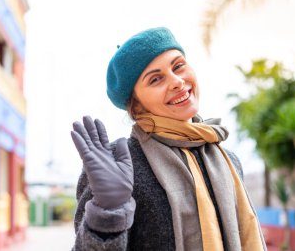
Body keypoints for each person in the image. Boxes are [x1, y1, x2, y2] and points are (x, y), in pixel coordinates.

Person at [70, 27, 267, 251]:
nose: (177, 82)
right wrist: (107, 216)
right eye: (155, 79)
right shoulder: (116, 166)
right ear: (136, 105)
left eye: (178, 66)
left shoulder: (228, 160)